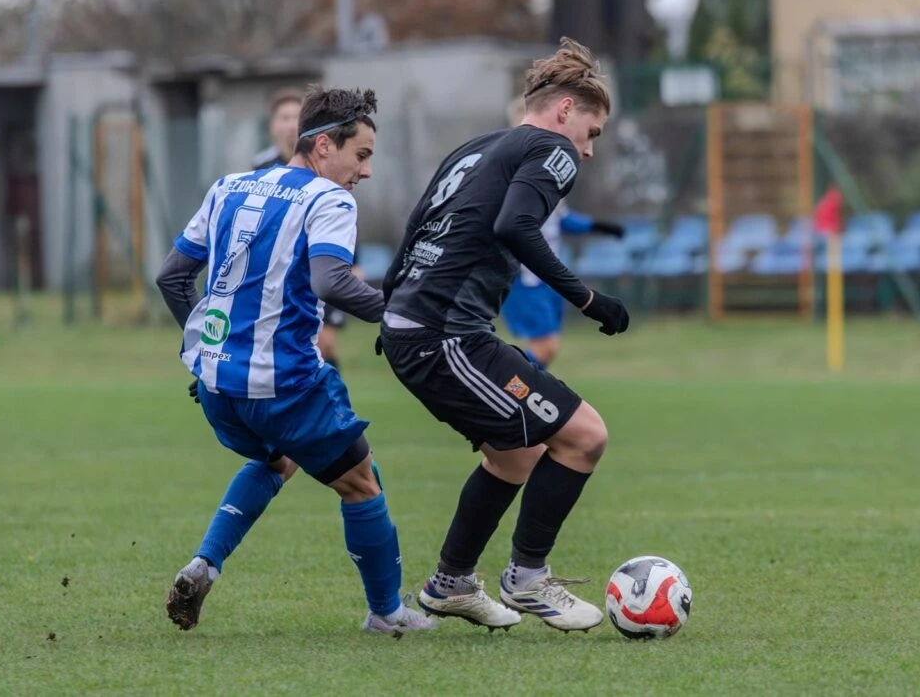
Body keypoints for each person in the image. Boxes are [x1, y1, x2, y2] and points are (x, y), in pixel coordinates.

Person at [156, 85, 434, 637]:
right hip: (285, 384)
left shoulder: (229, 186)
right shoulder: (329, 199)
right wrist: (404, 315)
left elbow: (171, 277)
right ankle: (386, 613)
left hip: (219, 388)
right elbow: (331, 281)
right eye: (361, 155)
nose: (366, 171)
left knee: (277, 460)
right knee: (362, 483)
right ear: (324, 145)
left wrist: (204, 352)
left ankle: (204, 564)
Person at [378, 38, 629, 633]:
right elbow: (515, 224)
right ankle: (528, 576)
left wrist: (394, 305)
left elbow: (417, 223)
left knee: (516, 456)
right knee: (586, 436)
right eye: (591, 132)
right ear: (564, 109)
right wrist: (588, 299)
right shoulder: (552, 148)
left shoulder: (477, 147)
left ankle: (451, 584)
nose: (588, 150)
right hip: (446, 337)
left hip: (420, 328)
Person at [500, 97, 625, 370]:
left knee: (547, 350)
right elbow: (509, 224)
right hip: (525, 277)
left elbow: (561, 218)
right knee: (545, 348)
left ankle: (511, 386)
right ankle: (498, 382)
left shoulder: (547, 168)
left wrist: (598, 226)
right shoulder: (513, 171)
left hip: (547, 276)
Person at [254, 88, 353, 370]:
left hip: (320, 263)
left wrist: (352, 260)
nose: (290, 124)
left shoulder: (327, 166)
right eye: (284, 117)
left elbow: (341, 213)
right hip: (281, 270)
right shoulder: (261, 167)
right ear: (273, 125)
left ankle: (326, 389)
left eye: (296, 117)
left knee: (326, 343)